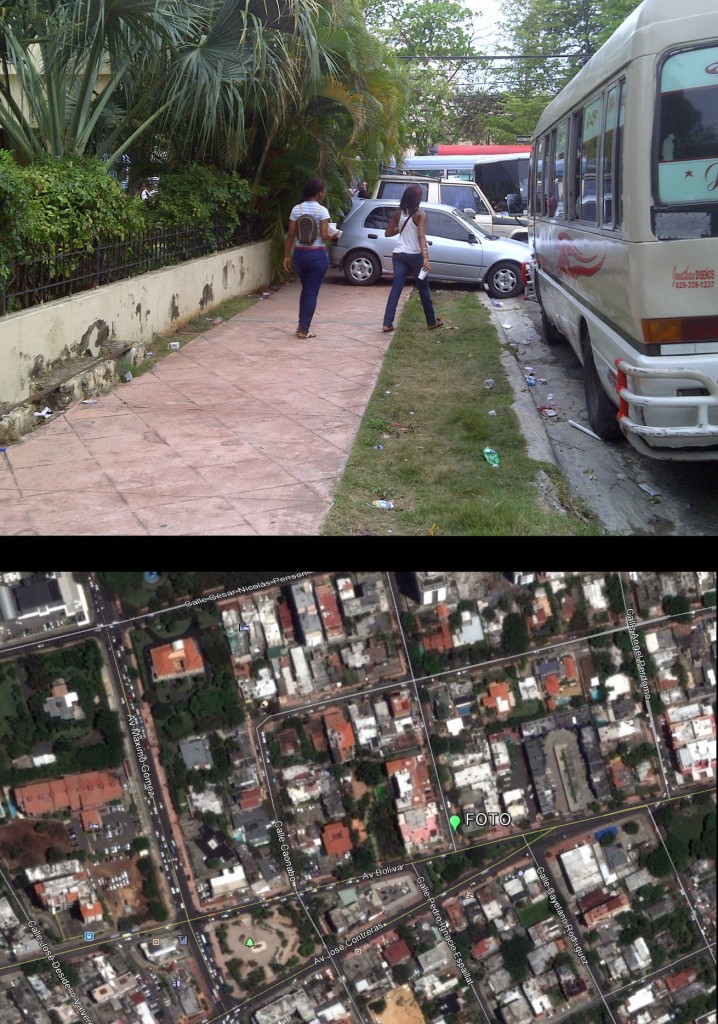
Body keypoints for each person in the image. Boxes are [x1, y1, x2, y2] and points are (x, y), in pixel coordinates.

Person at [382, 185, 443, 333]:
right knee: (423, 288)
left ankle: (387, 323)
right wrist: (426, 258)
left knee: (396, 288)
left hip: (399, 255)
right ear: (417, 198)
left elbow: (388, 233)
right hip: (415, 256)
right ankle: (431, 321)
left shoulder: (398, 213)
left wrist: (402, 227)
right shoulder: (420, 214)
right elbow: (421, 236)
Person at [283, 177, 331, 339]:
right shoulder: (322, 211)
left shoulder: (297, 209)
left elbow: (290, 234)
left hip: (299, 255)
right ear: (319, 193)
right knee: (311, 293)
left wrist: (286, 256)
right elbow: (324, 235)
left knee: (306, 290)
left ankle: (300, 325)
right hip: (317, 255)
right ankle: (304, 330)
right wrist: (334, 235)